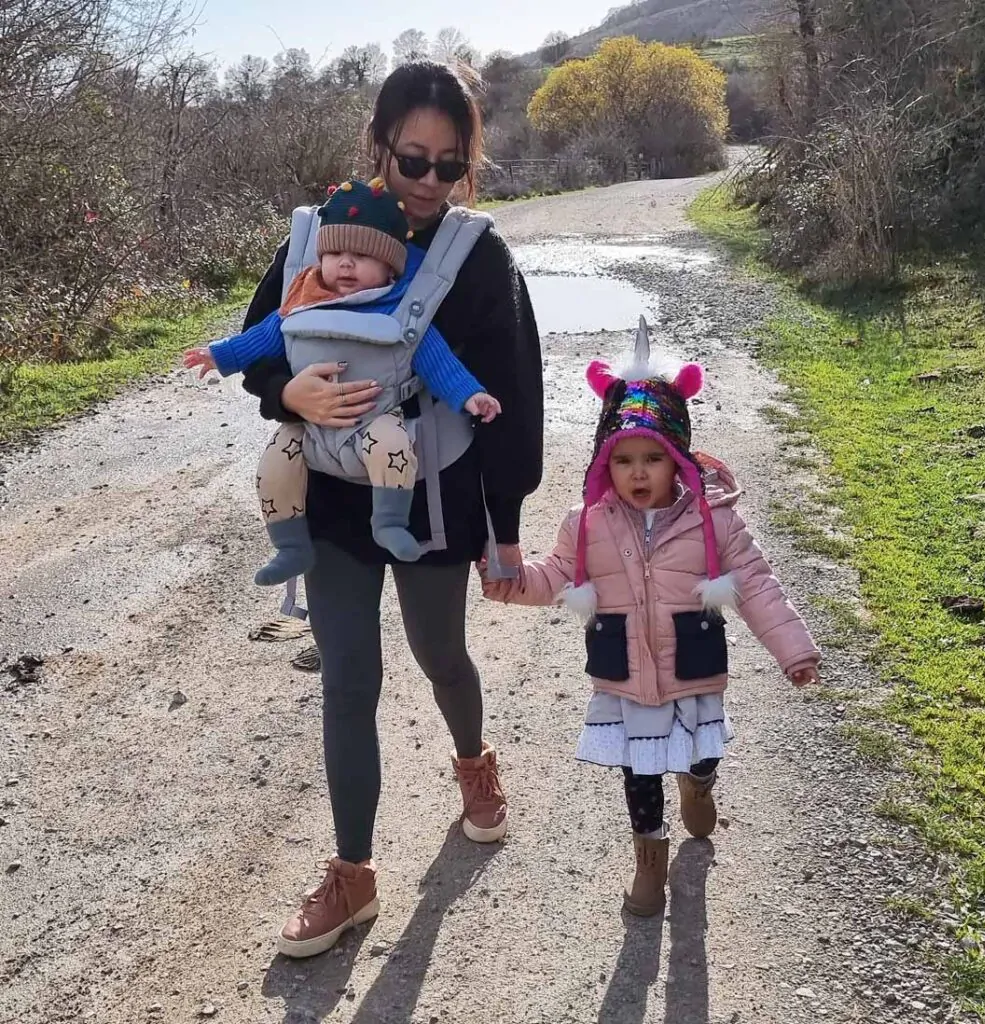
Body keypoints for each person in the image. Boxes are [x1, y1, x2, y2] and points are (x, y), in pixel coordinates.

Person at [240, 61, 544, 959]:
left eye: (450, 167)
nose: (428, 185)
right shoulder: (320, 238)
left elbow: (512, 395)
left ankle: (474, 762)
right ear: (380, 145)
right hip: (334, 501)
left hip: (437, 498)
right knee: (348, 680)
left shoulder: (477, 256)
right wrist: (288, 394)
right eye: (414, 160)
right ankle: (354, 874)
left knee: (441, 653)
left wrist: (506, 527)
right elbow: (262, 344)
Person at [480, 325, 820, 917]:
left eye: (654, 458)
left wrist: (793, 649)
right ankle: (649, 857)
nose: (638, 473)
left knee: (700, 753)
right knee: (638, 770)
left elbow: (759, 585)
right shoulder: (585, 525)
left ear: (678, 458)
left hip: (692, 670)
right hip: (627, 676)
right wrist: (511, 582)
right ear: (603, 465)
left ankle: (700, 782)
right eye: (624, 461)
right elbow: (554, 576)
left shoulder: (714, 523)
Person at [183, 178, 501, 578]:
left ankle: (389, 523)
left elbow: (437, 363)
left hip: (375, 420)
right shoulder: (301, 301)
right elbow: (260, 339)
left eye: (361, 255)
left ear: (391, 265)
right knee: (274, 463)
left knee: (394, 447)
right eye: (333, 252)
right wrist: (219, 354)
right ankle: (290, 545)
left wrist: (470, 395)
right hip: (308, 427)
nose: (345, 264)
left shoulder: (400, 310)